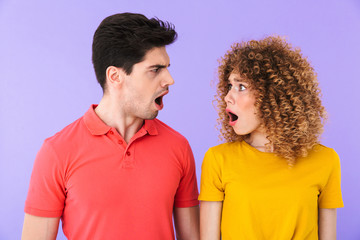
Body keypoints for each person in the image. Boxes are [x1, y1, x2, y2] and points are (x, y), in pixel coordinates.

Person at [22, 13, 199, 240]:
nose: (169, 79)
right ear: (115, 76)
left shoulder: (178, 147)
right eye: (155, 70)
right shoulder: (57, 152)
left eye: (167, 68)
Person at [199, 36, 343, 240]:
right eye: (229, 86)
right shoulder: (218, 160)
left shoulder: (325, 160)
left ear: (273, 94)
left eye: (241, 87)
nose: (227, 96)